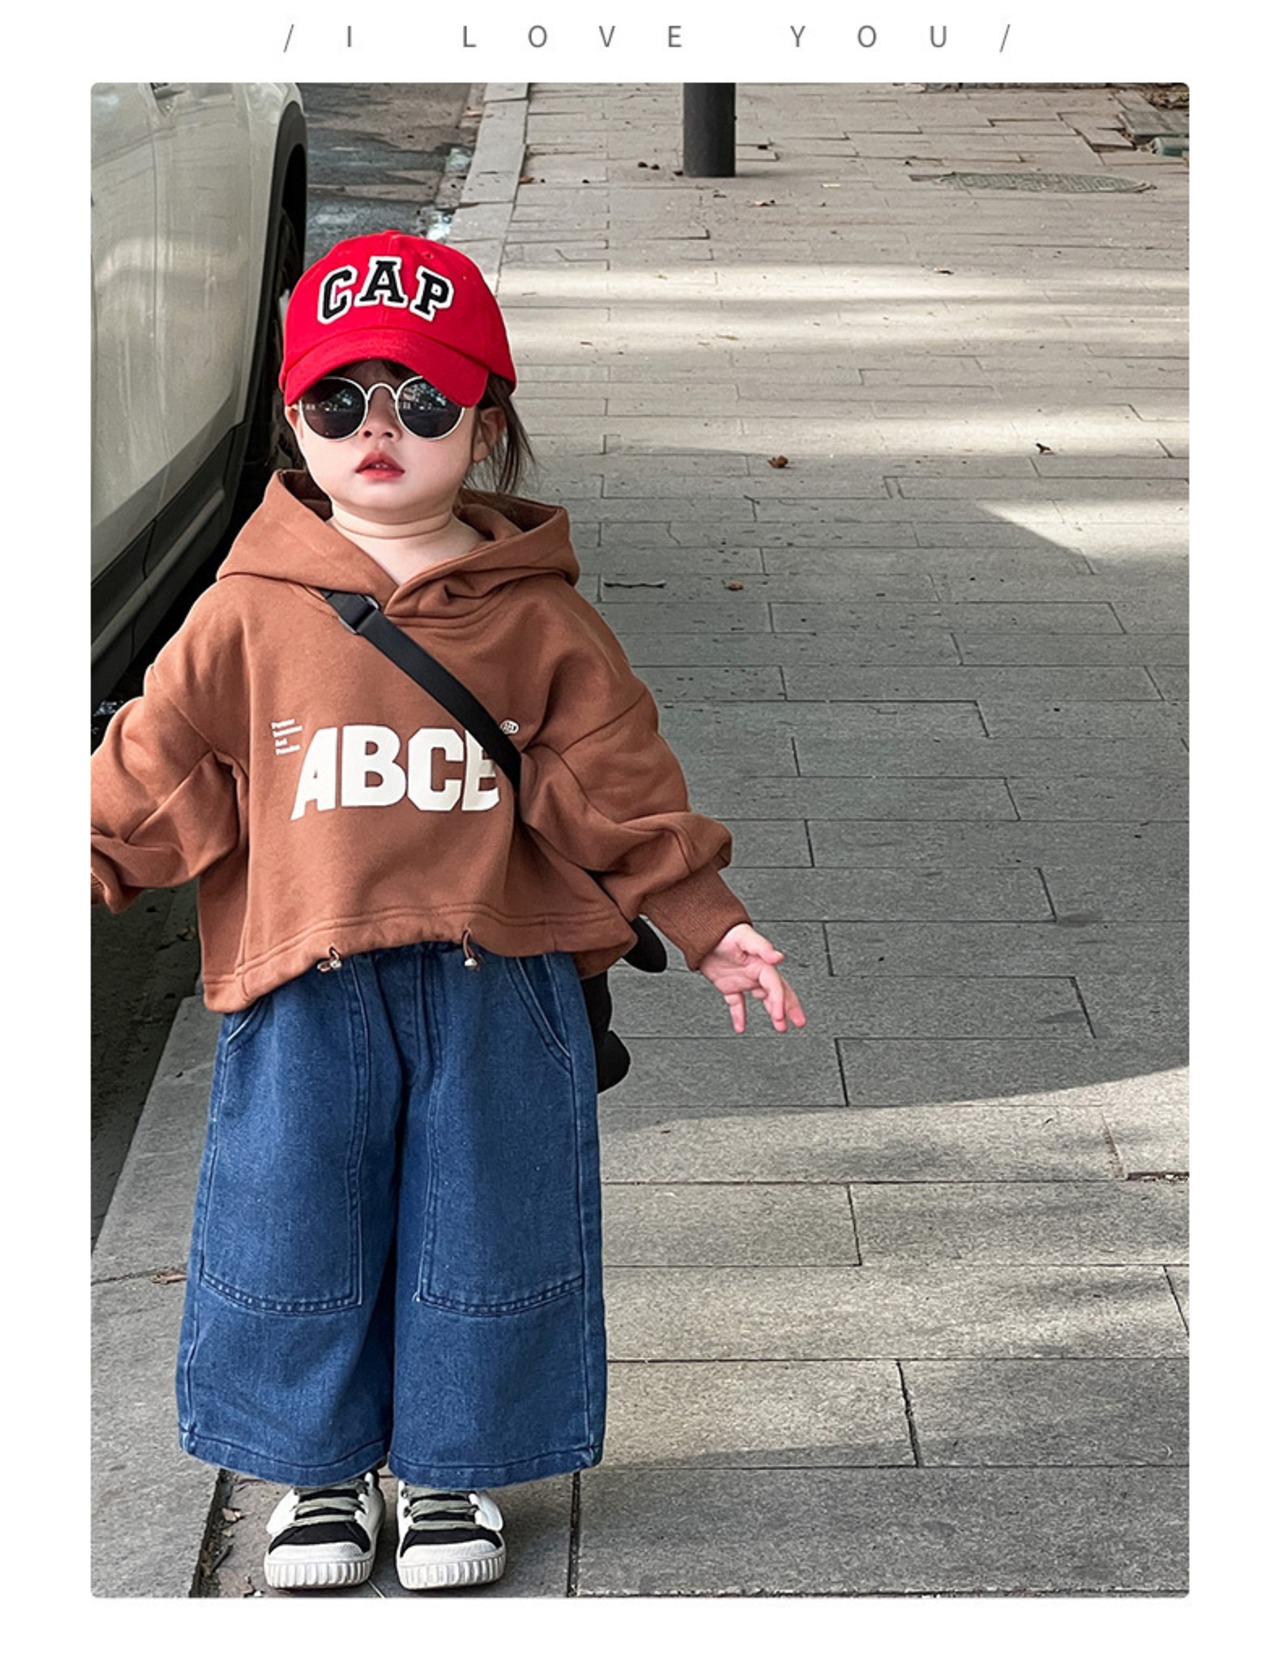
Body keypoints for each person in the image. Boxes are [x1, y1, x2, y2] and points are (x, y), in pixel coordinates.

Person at [91, 231, 807, 1594]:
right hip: (303, 981)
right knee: (291, 1226)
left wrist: (709, 920)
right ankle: (313, 1471)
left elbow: (618, 787)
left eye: (421, 400)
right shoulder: (242, 614)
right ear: (294, 420)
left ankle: (454, 1468)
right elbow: (151, 771)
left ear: (485, 422)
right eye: (337, 400)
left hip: (499, 982)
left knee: (492, 1230)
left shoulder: (541, 624)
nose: (379, 430)